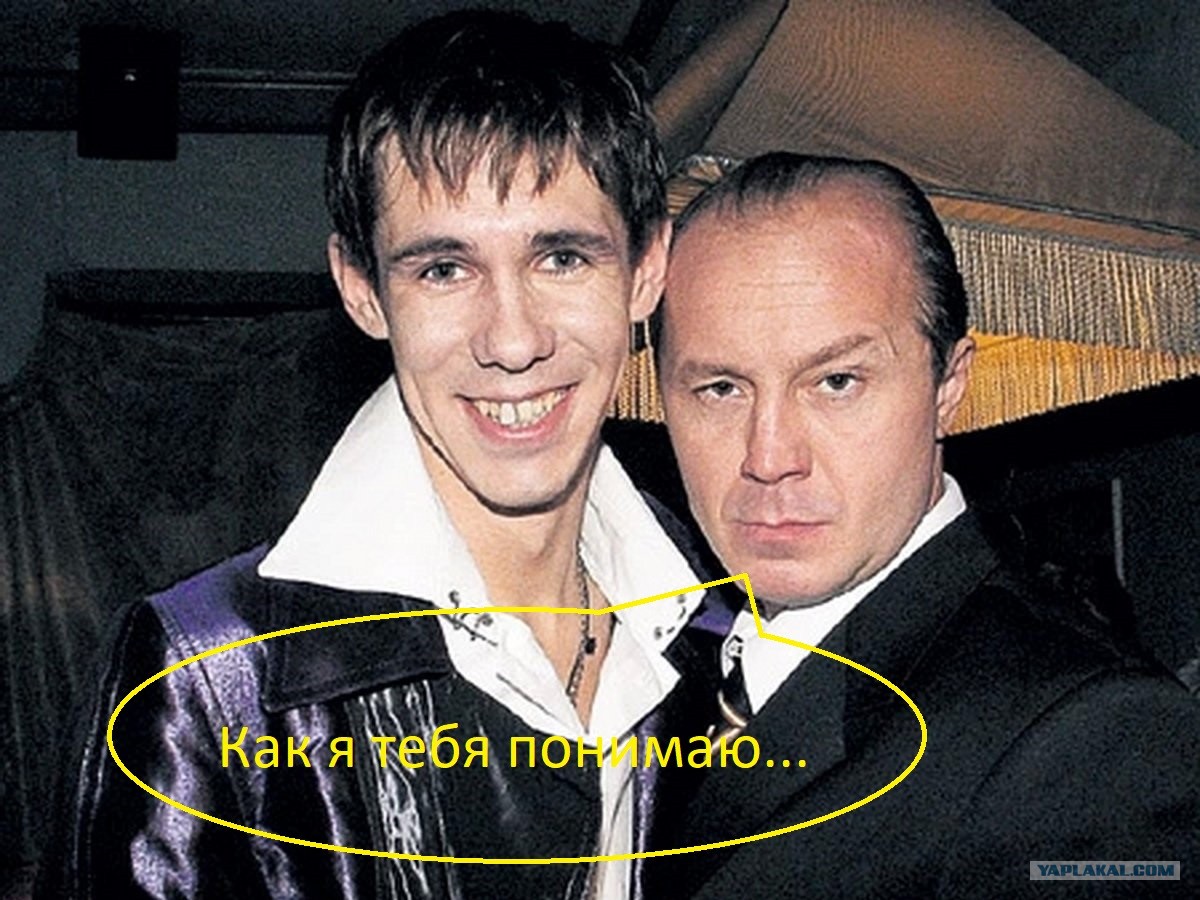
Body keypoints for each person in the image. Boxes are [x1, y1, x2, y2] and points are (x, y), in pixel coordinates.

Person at [36, 11, 705, 899]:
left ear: (647, 269)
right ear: (361, 289)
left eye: (562, 258)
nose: (513, 341)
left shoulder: (714, 619)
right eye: (444, 270)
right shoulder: (210, 677)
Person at [646, 152, 1200, 898]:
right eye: (720, 388)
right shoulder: (658, 683)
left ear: (949, 386)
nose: (769, 458)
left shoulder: (1096, 737)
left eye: (837, 382)